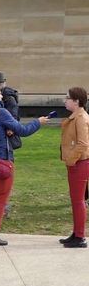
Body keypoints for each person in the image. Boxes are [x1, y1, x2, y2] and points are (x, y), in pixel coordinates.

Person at [0, 83, 48, 245]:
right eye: (0, 93)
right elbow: (23, 130)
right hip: (1, 159)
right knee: (1, 198)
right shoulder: (0, 112)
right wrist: (38, 122)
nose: (2, 96)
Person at [59, 87, 89, 248]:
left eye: (68, 98)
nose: (65, 100)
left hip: (80, 163)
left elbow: (83, 144)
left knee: (78, 201)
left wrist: (71, 160)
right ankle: (76, 233)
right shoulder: (76, 117)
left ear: (76, 101)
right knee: (76, 200)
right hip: (76, 163)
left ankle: (80, 237)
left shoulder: (81, 118)